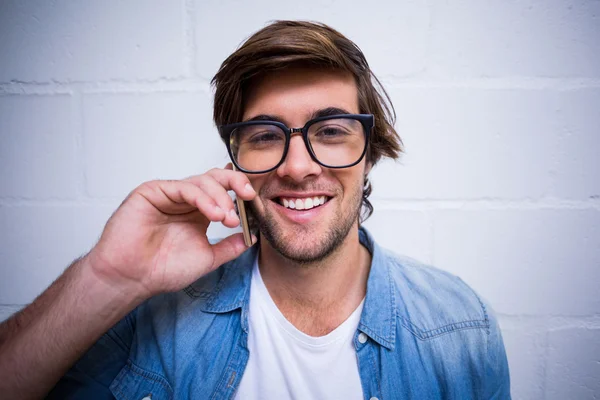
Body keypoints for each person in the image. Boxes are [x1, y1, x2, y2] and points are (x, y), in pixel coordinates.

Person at [0, 20, 510, 400]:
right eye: (266, 136)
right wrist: (107, 278)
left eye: (331, 132)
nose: (296, 166)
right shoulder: (155, 317)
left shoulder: (460, 328)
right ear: (235, 159)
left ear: (370, 152)